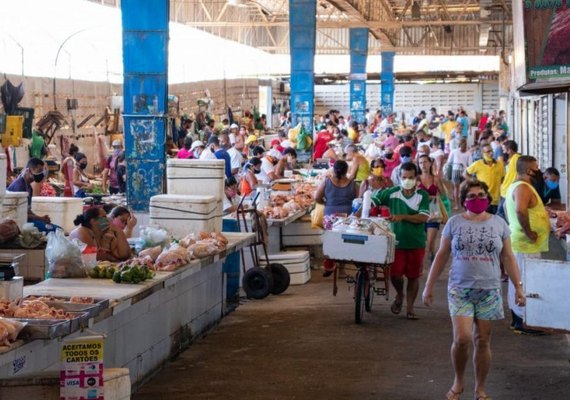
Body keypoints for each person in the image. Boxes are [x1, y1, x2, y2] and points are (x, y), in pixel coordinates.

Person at [422, 180, 526, 400]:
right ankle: (458, 380)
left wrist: (518, 287)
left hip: (489, 289)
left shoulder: (499, 224)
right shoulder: (454, 223)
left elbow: (508, 257)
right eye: (471, 196)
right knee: (462, 338)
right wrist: (429, 286)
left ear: (488, 198)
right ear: (463, 200)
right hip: (460, 288)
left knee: (483, 340)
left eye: (481, 195)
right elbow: (441, 255)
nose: (476, 199)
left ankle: (480, 387)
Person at [372, 162, 430, 319]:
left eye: (411, 177)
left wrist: (403, 216)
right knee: (395, 275)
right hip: (396, 243)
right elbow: (372, 201)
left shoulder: (422, 195)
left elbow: (423, 217)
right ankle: (399, 295)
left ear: (416, 177)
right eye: (404, 177)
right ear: (399, 177)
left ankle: (410, 308)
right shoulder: (391, 192)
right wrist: (369, 188)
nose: (407, 180)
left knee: (413, 276)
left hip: (416, 242)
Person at [504, 156, 550, 334]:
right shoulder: (522, 187)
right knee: (524, 282)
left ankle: (519, 319)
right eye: (536, 168)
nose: (539, 171)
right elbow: (520, 210)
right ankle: (524, 320)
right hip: (525, 245)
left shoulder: (517, 186)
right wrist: (529, 232)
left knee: (519, 280)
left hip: (523, 244)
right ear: (529, 170)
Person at [315, 160, 359, 278]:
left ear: (334, 170)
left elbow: (317, 197)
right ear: (347, 171)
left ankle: (329, 265)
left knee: (330, 241)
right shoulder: (353, 184)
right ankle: (342, 271)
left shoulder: (327, 182)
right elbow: (357, 201)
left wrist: (327, 204)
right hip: (347, 218)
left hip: (330, 216)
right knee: (344, 242)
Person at [7, 158, 55, 230]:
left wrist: (41, 218)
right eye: (39, 171)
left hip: (25, 219)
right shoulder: (19, 185)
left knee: (55, 228)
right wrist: (40, 218)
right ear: (29, 170)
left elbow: (28, 210)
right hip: (15, 222)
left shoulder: (29, 187)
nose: (41, 174)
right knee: (52, 229)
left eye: (42, 172)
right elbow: (19, 213)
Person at [418, 155, 446, 262]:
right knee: (422, 241)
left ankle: (432, 260)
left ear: (430, 163)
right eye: (420, 163)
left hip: (434, 213)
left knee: (430, 242)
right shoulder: (416, 179)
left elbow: (443, 195)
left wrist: (437, 195)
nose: (423, 165)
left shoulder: (436, 179)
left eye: (425, 162)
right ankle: (429, 257)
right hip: (420, 213)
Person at [464, 143, 504, 214]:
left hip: (496, 200)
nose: (491, 153)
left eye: (491, 151)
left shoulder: (499, 165)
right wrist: (474, 182)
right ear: (483, 153)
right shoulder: (478, 164)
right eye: (488, 152)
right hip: (483, 198)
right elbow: (465, 173)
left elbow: (502, 179)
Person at [446, 138, 472, 209]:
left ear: (458, 144)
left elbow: (449, 162)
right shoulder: (469, 153)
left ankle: (457, 205)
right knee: (466, 188)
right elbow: (470, 164)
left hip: (455, 170)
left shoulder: (454, 151)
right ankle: (466, 204)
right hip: (465, 172)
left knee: (456, 188)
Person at [497, 140, 521, 219]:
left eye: (504, 150)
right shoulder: (512, 159)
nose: (503, 152)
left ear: (509, 150)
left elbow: (518, 174)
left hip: (508, 190)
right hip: (505, 190)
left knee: (501, 214)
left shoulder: (516, 158)